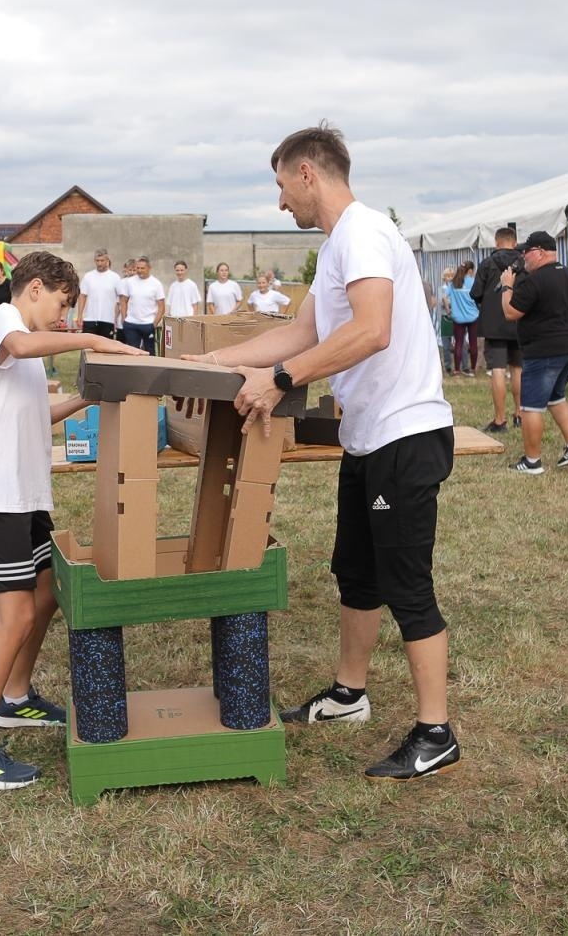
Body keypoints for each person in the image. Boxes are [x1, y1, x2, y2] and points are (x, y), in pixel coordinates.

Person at [187, 122, 457, 782]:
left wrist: (279, 382)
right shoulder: (340, 246)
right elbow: (299, 330)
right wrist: (209, 360)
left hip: (405, 434)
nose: (282, 203)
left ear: (309, 173)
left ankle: (436, 731)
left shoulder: (363, 232)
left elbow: (372, 330)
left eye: (282, 186)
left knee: (406, 586)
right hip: (367, 438)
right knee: (356, 573)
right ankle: (348, 695)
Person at [0, 251, 146, 790]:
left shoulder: (27, 354)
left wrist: (88, 396)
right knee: (14, 619)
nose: (63, 315)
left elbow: (37, 412)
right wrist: (93, 340)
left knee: (48, 590)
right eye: (61, 303)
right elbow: (23, 344)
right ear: (35, 287)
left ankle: (15, 697)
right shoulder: (4, 324)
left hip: (25, 495)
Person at [498, 231, 568, 474]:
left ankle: (532, 461)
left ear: (539, 252)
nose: (524, 257)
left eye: (526, 252)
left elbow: (510, 313)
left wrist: (507, 286)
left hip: (544, 350)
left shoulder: (533, 281)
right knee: (556, 397)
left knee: (531, 406)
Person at [472, 227, 525, 432]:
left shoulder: (487, 263)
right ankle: (519, 413)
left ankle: (500, 419)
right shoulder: (524, 263)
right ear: (515, 242)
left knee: (498, 370)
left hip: (494, 325)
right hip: (519, 323)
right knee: (518, 369)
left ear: (496, 242)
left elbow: (475, 293)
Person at [116, 255, 166, 354]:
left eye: (142, 268)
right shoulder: (130, 282)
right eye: (137, 268)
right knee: (131, 352)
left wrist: (154, 324)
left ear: (149, 268)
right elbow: (123, 301)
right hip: (131, 324)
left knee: (149, 353)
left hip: (148, 324)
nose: (139, 270)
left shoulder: (156, 284)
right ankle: (132, 370)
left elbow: (161, 307)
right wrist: (124, 318)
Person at [75, 248, 123, 339]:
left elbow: (120, 300)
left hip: (108, 320)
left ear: (107, 260)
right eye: (97, 261)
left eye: (102, 260)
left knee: (106, 349)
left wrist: (117, 318)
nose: (99, 263)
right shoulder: (88, 276)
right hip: (90, 319)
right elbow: (82, 296)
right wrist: (80, 315)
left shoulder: (115, 277)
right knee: (87, 347)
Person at [446, 261, 479, 376]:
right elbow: (479, 297)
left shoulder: (453, 283)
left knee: (458, 343)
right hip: (473, 317)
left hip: (458, 318)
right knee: (473, 343)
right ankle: (473, 369)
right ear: (470, 271)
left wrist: (448, 310)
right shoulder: (473, 282)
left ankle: (456, 370)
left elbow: (444, 297)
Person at [434, 268, 454, 373]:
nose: (450, 278)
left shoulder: (456, 288)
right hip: (445, 317)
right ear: (444, 278)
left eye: (451, 276)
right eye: (448, 276)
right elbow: (441, 302)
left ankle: (459, 366)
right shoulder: (441, 289)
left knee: (459, 343)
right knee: (446, 343)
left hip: (456, 318)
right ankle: (447, 365)